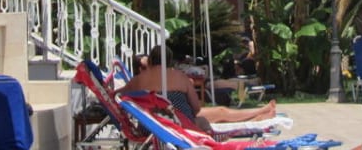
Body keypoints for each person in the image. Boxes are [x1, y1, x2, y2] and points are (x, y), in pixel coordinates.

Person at [117, 46, 277, 132]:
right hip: (178, 123)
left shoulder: (137, 83)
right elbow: (196, 108)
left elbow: (118, 95)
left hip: (157, 123)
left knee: (219, 114)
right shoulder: (174, 77)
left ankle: (258, 116)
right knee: (216, 115)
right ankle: (256, 118)